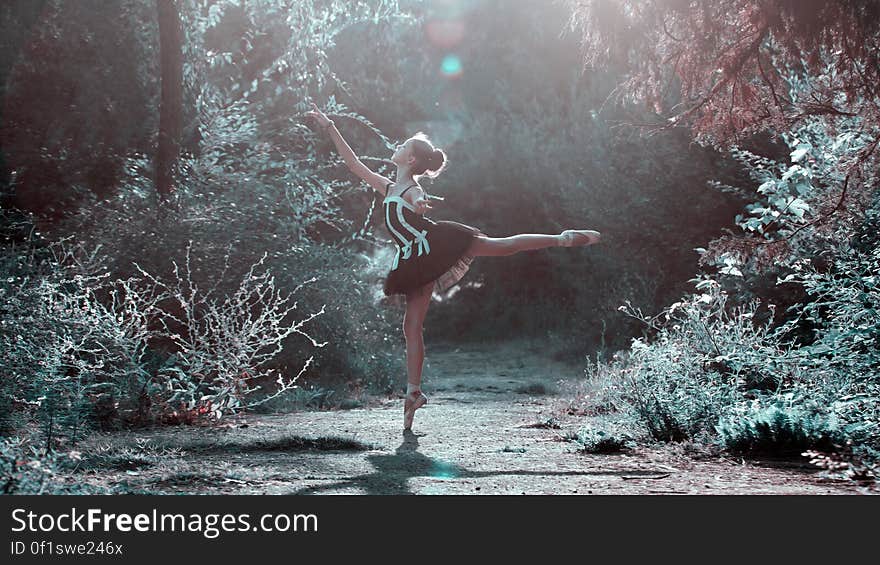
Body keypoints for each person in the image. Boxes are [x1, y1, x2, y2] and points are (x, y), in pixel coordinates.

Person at [305, 102, 600, 430]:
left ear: (411, 159)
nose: (397, 146)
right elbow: (354, 164)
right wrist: (330, 126)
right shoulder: (387, 187)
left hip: (434, 246)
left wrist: (419, 204)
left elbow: (417, 201)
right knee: (411, 328)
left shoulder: (411, 189)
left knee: (500, 246)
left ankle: (562, 238)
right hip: (413, 259)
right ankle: (413, 393)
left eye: (403, 146)